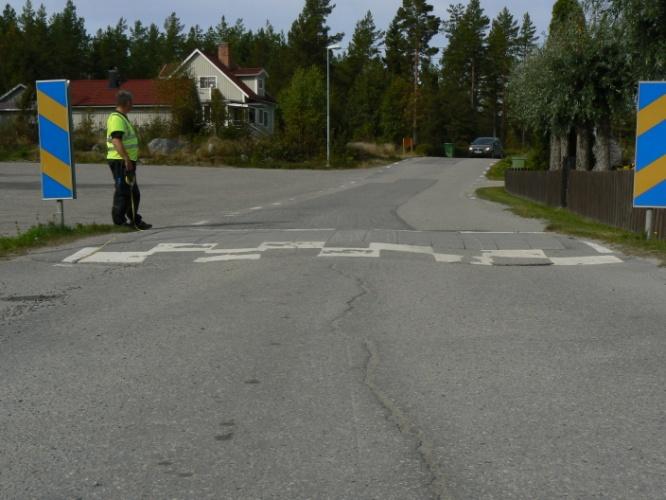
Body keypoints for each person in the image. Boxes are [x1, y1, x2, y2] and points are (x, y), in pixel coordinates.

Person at [106, 90, 152, 230]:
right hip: (120, 161)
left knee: (133, 192)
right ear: (127, 103)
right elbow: (116, 140)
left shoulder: (122, 117)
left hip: (127, 161)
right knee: (123, 191)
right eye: (131, 103)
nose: (132, 105)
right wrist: (126, 159)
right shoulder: (116, 119)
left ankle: (134, 220)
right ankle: (119, 221)